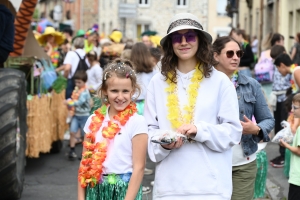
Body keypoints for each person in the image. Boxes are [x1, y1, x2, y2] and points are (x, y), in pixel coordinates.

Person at [144, 13, 242, 199]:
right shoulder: (157, 82)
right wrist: (164, 143)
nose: (183, 42)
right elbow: (149, 130)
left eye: (189, 36)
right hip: (169, 188)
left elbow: (232, 132)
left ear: (200, 41)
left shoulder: (220, 81)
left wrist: (199, 130)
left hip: (211, 188)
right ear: (170, 44)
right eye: (176, 37)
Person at [213, 36, 274, 200]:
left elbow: (268, 119)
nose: (235, 57)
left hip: (243, 164)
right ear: (215, 55)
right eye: (230, 53)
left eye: (239, 53)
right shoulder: (203, 85)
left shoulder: (251, 84)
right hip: (212, 164)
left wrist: (256, 129)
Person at [78, 59, 148, 200]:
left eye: (125, 91)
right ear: (105, 91)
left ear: (132, 91)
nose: (120, 97)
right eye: (114, 91)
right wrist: (81, 197)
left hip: (124, 191)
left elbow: (139, 167)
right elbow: (84, 162)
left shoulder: (137, 122)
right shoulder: (93, 120)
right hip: (96, 189)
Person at [269, 45, 292, 168]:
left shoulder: (292, 70)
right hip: (277, 99)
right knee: (278, 127)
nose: (276, 66)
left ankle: (284, 155)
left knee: (285, 129)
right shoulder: (278, 67)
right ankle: (281, 153)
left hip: (285, 100)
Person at [66, 70, 91, 159]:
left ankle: (84, 153)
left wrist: (69, 103)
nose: (77, 84)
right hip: (76, 115)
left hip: (84, 116)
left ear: (84, 82)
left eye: (79, 82)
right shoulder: (76, 90)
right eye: (76, 82)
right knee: (72, 132)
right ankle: (72, 150)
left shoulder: (85, 92)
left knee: (85, 135)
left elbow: (80, 102)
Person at [280, 93, 300, 200]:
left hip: (298, 179)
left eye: (295, 107)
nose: (292, 110)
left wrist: (285, 145)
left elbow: (299, 151)